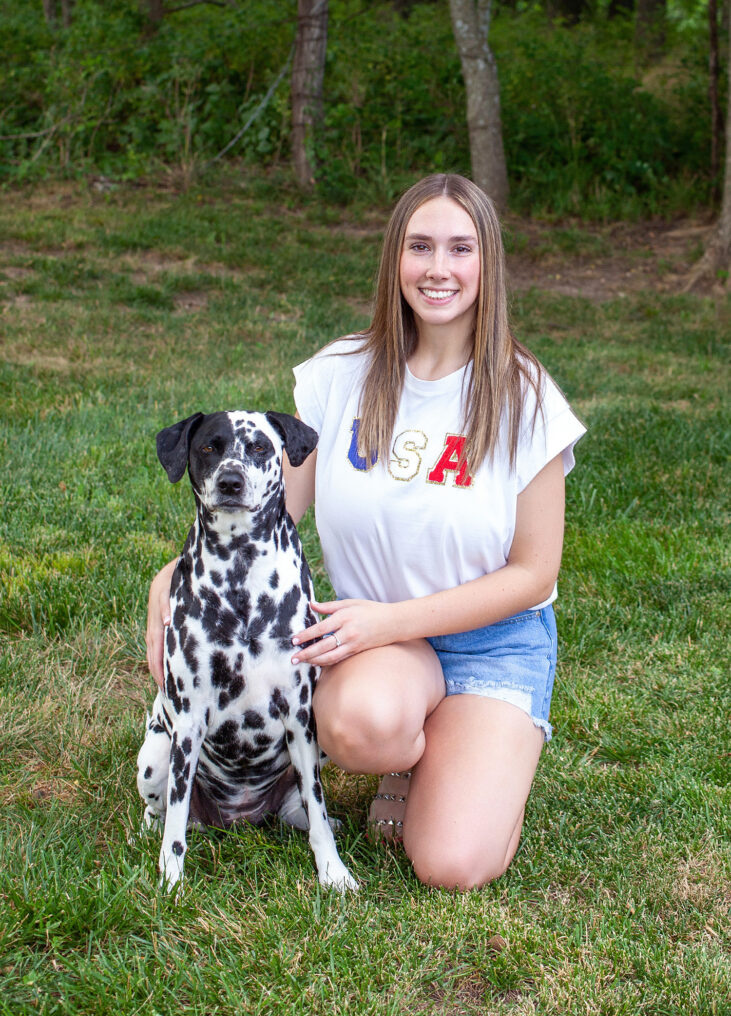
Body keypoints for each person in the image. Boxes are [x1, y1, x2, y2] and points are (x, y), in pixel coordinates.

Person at [146, 173, 585, 891]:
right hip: (383, 645)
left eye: (459, 248)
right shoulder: (341, 374)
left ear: (487, 263)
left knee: (451, 865)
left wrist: (388, 621)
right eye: (419, 247)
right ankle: (410, 749)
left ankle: (475, 747)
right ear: (394, 260)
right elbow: (269, 514)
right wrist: (170, 579)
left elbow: (533, 573)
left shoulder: (524, 396)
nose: (437, 269)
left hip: (489, 641)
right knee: (357, 725)